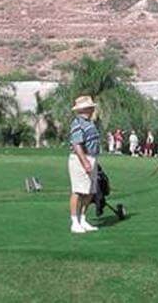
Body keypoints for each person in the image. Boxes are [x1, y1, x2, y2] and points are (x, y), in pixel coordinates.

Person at [68, 96, 102, 233]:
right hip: (80, 159)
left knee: (89, 191)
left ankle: (83, 218)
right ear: (85, 109)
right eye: (91, 107)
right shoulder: (78, 123)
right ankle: (74, 221)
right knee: (78, 191)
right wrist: (85, 162)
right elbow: (77, 145)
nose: (93, 108)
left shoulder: (90, 122)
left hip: (91, 157)